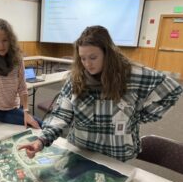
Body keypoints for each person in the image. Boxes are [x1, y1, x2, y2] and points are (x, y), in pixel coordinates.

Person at [19, 25, 182, 162]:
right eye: (82, 58)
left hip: (117, 156)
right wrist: (41, 141)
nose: (87, 64)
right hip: (81, 151)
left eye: (93, 57)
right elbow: (61, 115)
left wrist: (139, 116)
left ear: (107, 53)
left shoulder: (132, 75)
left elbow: (171, 91)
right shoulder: (76, 79)